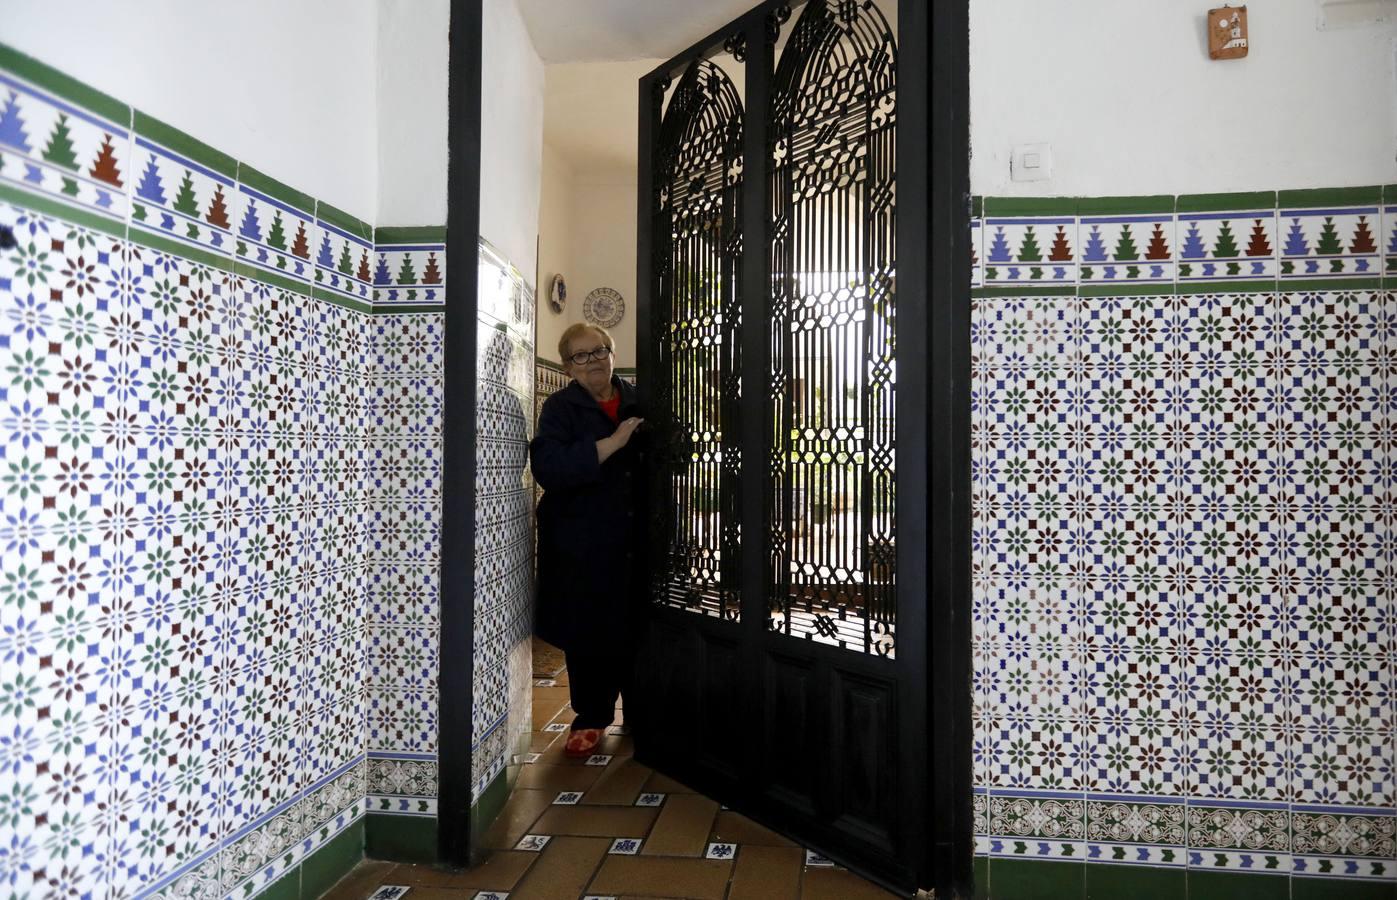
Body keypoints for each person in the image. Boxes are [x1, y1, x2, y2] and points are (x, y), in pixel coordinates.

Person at [530, 323, 646, 758]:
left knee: (638, 627)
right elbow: (550, 466)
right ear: (567, 367)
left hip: (635, 537)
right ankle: (592, 716)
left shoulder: (637, 400)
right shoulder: (560, 408)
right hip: (582, 538)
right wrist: (613, 442)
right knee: (589, 630)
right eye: (580, 356)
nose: (593, 360)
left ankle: (641, 712)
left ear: (613, 353)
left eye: (599, 350)